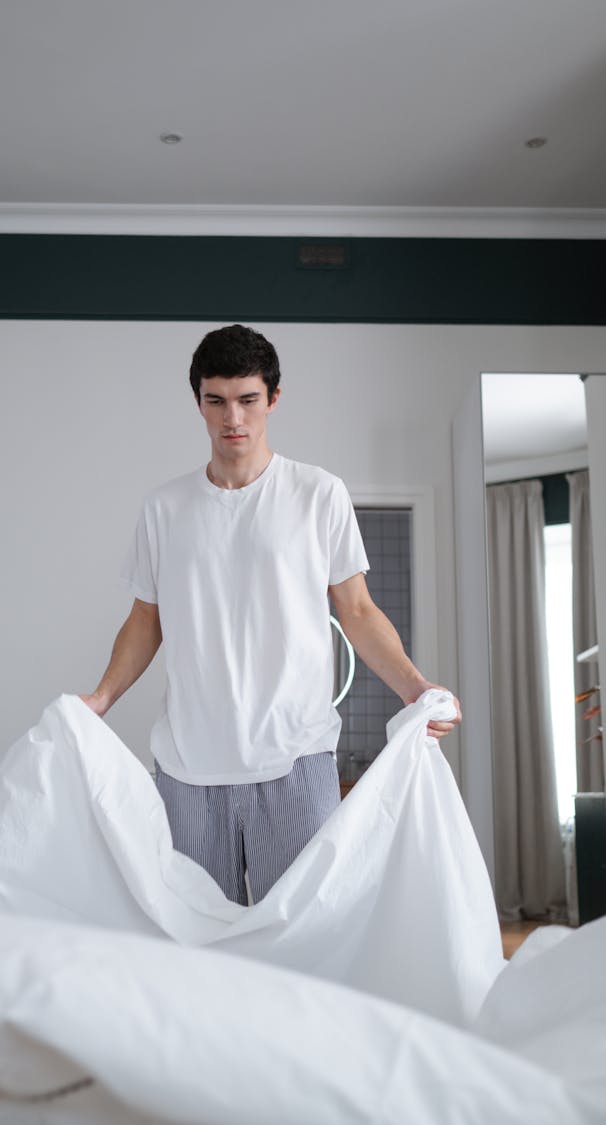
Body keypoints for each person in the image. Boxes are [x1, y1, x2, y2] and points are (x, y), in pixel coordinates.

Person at [82, 324, 461, 904]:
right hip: (190, 766)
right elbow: (145, 620)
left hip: (296, 757)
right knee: (198, 940)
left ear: (273, 399)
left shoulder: (318, 493)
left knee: (310, 932)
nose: (233, 418)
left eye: (247, 400)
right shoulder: (165, 507)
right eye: (217, 401)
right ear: (198, 402)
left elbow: (356, 610)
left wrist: (413, 686)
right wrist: (99, 701)